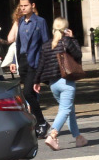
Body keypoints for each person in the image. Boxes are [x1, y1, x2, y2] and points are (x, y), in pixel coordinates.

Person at [35, 17, 87, 151]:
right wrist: (73, 38)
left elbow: (40, 65)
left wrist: (36, 81)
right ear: (65, 29)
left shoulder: (46, 45)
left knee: (69, 110)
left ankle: (78, 137)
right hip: (66, 82)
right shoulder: (67, 41)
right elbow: (78, 55)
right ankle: (53, 134)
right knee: (65, 109)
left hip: (53, 84)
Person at [7, 0, 50, 135]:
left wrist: (45, 65)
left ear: (33, 5)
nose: (23, 8)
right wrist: (14, 60)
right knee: (28, 94)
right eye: (21, 6)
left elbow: (46, 44)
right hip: (23, 61)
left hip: (35, 61)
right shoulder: (20, 22)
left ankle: (42, 122)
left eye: (25, 5)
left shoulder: (40, 22)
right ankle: (38, 124)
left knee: (27, 93)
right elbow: (17, 43)